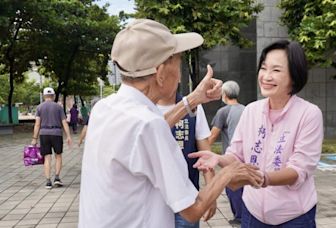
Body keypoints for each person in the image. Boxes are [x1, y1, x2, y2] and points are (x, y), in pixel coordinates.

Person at [78, 19, 263, 228]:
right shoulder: (147, 125)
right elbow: (192, 210)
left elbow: (143, 134)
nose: (180, 72)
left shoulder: (106, 107)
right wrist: (229, 173)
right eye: (178, 61)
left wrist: (193, 99)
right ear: (160, 73)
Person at [190, 40, 324, 227]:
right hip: (252, 213)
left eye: (276, 70)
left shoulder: (309, 114)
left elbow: (299, 170)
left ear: (294, 75)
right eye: (264, 68)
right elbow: (236, 155)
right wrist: (218, 158)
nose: (266, 76)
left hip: (294, 217)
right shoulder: (251, 110)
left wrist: (260, 178)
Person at [157, 87, 216, 228]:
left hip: (187, 199)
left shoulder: (194, 108)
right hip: (154, 200)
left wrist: (211, 196)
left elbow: (206, 156)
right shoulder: (145, 108)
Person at [208, 80, 245, 225]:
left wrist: (202, 151)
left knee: (233, 187)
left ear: (224, 94)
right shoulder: (246, 109)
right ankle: (245, 215)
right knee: (245, 185)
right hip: (247, 155)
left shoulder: (223, 112)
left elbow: (212, 136)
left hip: (232, 156)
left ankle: (239, 217)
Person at [31, 87, 72, 189]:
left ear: (44, 96)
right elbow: (64, 122)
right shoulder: (58, 107)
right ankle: (57, 178)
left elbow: (37, 124)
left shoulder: (39, 107)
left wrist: (34, 138)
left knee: (47, 157)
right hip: (57, 133)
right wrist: (68, 136)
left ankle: (48, 182)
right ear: (53, 96)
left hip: (44, 134)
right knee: (58, 156)